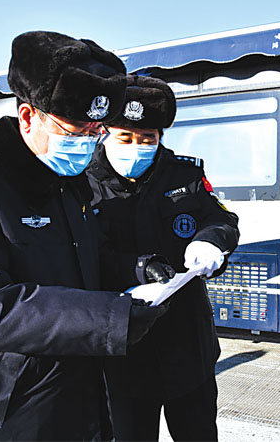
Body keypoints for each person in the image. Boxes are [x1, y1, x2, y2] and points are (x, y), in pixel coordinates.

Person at [0, 31, 169, 441]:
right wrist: (107, 319)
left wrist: (138, 268)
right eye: (74, 131)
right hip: (3, 415)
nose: (86, 143)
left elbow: (86, 258)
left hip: (73, 399)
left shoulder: (68, 184)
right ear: (28, 117)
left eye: (95, 132)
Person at [86, 74, 240, 441]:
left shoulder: (184, 175)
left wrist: (210, 242)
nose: (136, 147)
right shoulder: (82, 182)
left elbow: (222, 220)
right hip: (121, 349)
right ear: (105, 132)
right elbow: (86, 253)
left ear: (160, 137)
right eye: (125, 138)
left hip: (187, 346)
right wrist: (138, 268)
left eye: (147, 139)